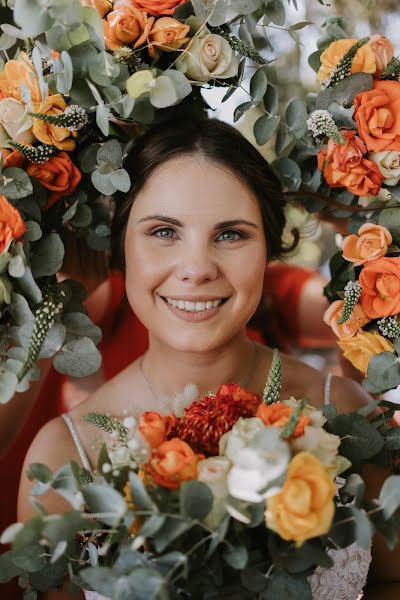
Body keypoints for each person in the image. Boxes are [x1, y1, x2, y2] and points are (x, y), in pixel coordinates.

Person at [17, 118, 389, 599]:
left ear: (270, 248)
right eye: (164, 231)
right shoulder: (65, 457)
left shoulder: (345, 412)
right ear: (121, 245)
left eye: (231, 234)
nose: (196, 269)